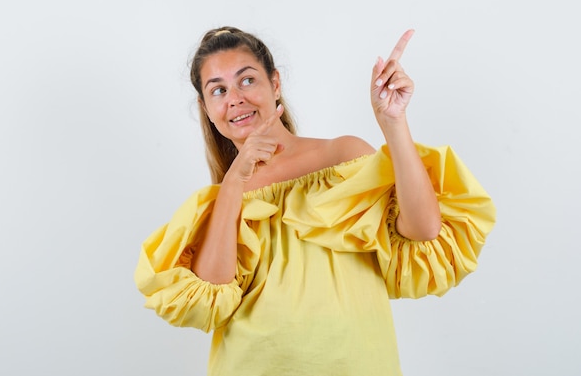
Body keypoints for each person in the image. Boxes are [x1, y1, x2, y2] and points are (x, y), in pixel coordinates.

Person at [134, 26, 496, 375]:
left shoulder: (342, 157)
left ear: (274, 83)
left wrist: (393, 122)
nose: (235, 99)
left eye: (247, 80)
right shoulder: (220, 201)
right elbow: (208, 300)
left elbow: (424, 232)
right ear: (206, 107)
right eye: (218, 90)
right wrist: (232, 185)